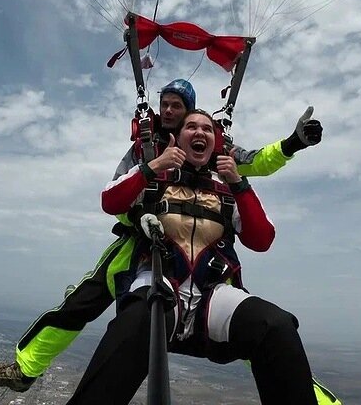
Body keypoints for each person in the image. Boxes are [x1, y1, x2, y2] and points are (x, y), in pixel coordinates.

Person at [0, 79, 324, 393]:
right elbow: (115, 194)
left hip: (205, 260)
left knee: (266, 331)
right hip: (140, 241)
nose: (169, 111)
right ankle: (25, 369)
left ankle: (317, 399)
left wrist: (292, 143)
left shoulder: (220, 159)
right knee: (83, 304)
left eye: (178, 107)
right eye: (166, 105)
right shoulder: (145, 146)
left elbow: (257, 161)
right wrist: (145, 194)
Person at [66, 110, 317, 404]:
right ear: (177, 137)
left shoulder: (227, 186)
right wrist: (153, 166)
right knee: (133, 325)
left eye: (207, 129)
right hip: (161, 282)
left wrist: (239, 183)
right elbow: (110, 201)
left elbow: (262, 239)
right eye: (191, 127)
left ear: (216, 142)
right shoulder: (155, 176)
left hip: (212, 295)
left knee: (276, 327)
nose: (200, 133)